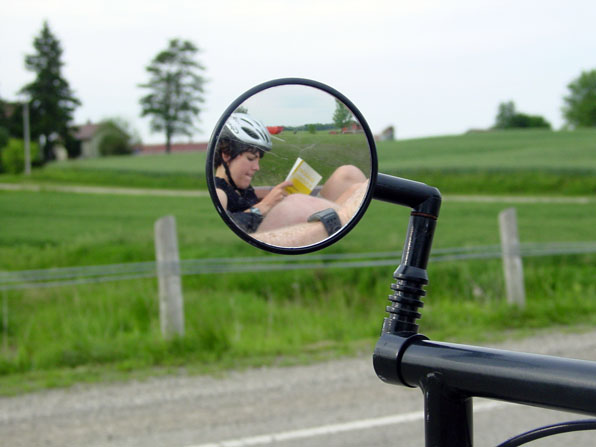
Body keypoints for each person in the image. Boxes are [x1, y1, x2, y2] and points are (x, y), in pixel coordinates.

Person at [214, 112, 368, 243]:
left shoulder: (239, 188)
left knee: (348, 174)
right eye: (250, 158)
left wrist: (274, 199)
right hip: (267, 241)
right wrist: (262, 207)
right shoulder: (220, 192)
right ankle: (346, 219)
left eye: (258, 159)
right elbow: (226, 233)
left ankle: (343, 219)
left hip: (281, 230)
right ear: (226, 155)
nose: (257, 167)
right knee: (297, 202)